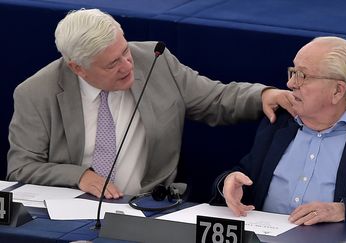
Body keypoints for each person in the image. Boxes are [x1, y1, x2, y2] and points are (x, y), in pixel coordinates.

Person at [7, 9, 294, 199]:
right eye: (112, 63)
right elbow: (20, 168)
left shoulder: (155, 60)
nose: (127, 65)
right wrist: (78, 176)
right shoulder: (36, 93)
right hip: (74, 209)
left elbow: (214, 99)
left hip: (147, 207)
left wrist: (262, 95)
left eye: (124, 51)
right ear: (77, 68)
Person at [210, 36, 346, 226]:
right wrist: (227, 183)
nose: (290, 84)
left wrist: (345, 211)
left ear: (338, 90)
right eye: (292, 71)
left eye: (302, 75)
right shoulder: (280, 121)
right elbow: (244, 175)